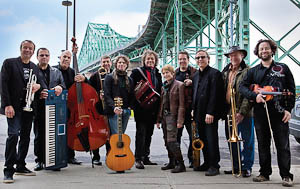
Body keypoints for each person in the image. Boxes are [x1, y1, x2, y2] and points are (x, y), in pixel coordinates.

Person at [240, 39, 295, 187]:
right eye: (261, 49)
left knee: (282, 145)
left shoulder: (283, 68)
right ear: (257, 53)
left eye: (266, 48)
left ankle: (286, 175)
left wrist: (289, 110)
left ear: (272, 50)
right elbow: (242, 87)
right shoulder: (253, 71)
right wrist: (255, 96)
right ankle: (264, 173)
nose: (264, 51)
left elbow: (291, 89)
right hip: (261, 112)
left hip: (280, 111)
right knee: (263, 144)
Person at [1, 40, 44, 183]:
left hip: (29, 108)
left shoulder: (34, 67)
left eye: (30, 48)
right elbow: (3, 85)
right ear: (20, 49)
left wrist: (37, 85)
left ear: (33, 52)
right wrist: (7, 105)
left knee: (25, 137)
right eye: (25, 47)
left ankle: (20, 165)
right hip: (14, 107)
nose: (27, 50)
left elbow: (41, 83)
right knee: (13, 135)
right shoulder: (9, 63)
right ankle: (8, 170)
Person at [221, 46, 255, 177]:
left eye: (236, 55)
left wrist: (242, 112)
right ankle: (236, 166)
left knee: (247, 140)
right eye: (230, 55)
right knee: (232, 141)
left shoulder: (248, 71)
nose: (233, 58)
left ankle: (247, 167)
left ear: (242, 56)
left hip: (245, 112)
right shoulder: (226, 72)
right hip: (229, 111)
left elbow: (249, 93)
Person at [192, 50, 225, 176]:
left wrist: (211, 112)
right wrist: (193, 109)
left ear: (208, 59)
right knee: (203, 139)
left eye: (202, 57)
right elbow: (195, 94)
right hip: (198, 113)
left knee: (211, 139)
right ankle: (206, 163)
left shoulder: (215, 73)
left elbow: (215, 95)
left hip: (209, 114)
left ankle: (214, 165)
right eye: (197, 58)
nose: (200, 59)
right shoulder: (195, 76)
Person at [33, 48, 66, 171]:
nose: (44, 57)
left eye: (47, 55)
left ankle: (53, 161)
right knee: (39, 136)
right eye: (42, 55)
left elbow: (63, 85)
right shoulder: (33, 70)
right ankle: (39, 161)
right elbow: (28, 87)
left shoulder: (56, 72)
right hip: (39, 108)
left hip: (54, 108)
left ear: (49, 57)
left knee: (53, 135)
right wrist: (39, 94)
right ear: (37, 57)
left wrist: (59, 87)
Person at [130, 50, 162, 169]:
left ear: (155, 61)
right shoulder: (136, 72)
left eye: (152, 59)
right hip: (141, 109)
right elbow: (131, 89)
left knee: (149, 134)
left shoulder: (158, 74)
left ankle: (146, 157)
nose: (150, 61)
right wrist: (134, 105)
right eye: (148, 59)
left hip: (153, 109)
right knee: (141, 133)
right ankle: (138, 158)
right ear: (144, 60)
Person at [54, 50, 86, 165]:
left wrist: (84, 78)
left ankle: (70, 156)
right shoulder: (53, 70)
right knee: (55, 132)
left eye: (68, 57)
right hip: (57, 106)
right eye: (64, 57)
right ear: (60, 57)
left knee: (71, 131)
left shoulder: (73, 72)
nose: (66, 59)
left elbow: (83, 86)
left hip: (71, 107)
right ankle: (54, 156)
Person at [156, 65, 186, 173]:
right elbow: (161, 104)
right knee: (166, 141)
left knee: (172, 141)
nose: (165, 75)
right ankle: (171, 162)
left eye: (167, 73)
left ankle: (181, 164)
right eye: (163, 73)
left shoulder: (179, 85)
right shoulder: (164, 86)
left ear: (172, 73)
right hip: (164, 116)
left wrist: (180, 120)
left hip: (172, 117)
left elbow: (182, 105)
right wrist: (158, 119)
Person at [88, 55, 113, 166]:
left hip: (110, 109)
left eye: (108, 61)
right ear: (100, 63)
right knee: (97, 134)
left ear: (111, 63)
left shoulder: (114, 74)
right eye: (104, 62)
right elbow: (89, 92)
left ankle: (110, 155)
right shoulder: (94, 76)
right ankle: (96, 157)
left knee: (110, 134)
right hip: (98, 110)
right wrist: (98, 95)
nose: (106, 64)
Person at [175, 51, 197, 168]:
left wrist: (193, 82)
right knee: (176, 137)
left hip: (190, 111)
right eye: (180, 59)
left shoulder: (195, 73)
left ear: (188, 59)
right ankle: (177, 160)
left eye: (184, 59)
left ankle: (192, 159)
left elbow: (201, 86)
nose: (182, 61)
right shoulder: (174, 73)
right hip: (178, 112)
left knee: (193, 136)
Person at [103, 55, 133, 138]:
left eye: (124, 62)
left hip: (125, 111)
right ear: (116, 64)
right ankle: (116, 151)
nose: (121, 64)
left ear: (127, 65)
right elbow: (107, 95)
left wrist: (129, 108)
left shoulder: (129, 80)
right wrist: (114, 107)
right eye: (119, 62)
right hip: (113, 112)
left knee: (121, 136)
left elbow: (131, 95)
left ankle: (120, 151)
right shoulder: (109, 77)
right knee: (116, 136)